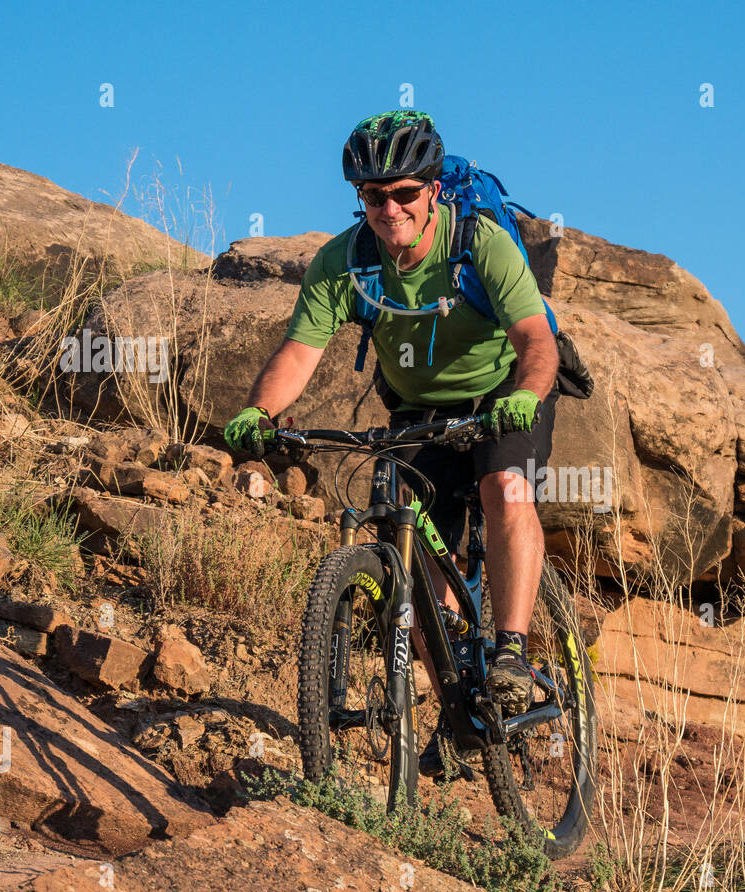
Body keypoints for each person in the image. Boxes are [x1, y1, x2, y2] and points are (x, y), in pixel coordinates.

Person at [221, 110, 561, 767]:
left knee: (504, 486)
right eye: (374, 196)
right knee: (408, 552)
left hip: (506, 393)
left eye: (405, 192)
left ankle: (513, 652)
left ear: (432, 190)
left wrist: (524, 395)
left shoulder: (478, 241)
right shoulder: (344, 263)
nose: (390, 207)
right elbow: (299, 352)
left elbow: (536, 340)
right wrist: (257, 412)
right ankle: (463, 708)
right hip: (417, 407)